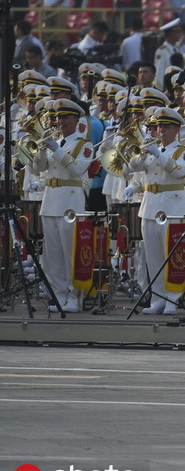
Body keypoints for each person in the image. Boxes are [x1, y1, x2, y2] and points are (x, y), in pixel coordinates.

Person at [124, 107, 185, 315]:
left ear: (176, 129)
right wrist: (139, 151)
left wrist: (157, 154)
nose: (160, 130)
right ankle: (158, 297)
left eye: (166, 127)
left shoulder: (183, 151)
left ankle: (173, 298)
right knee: (153, 257)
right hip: (150, 206)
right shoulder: (153, 147)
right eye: (159, 126)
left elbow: (180, 172)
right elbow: (130, 168)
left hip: (172, 206)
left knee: (172, 256)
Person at [32, 99, 94, 313]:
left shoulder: (83, 144)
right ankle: (58, 295)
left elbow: (77, 168)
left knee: (71, 252)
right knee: (53, 254)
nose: (60, 121)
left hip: (71, 200)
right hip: (50, 200)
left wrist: (55, 149)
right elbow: (37, 168)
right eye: (58, 117)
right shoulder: (53, 140)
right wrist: (41, 149)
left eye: (65, 117)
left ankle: (75, 296)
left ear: (77, 119)